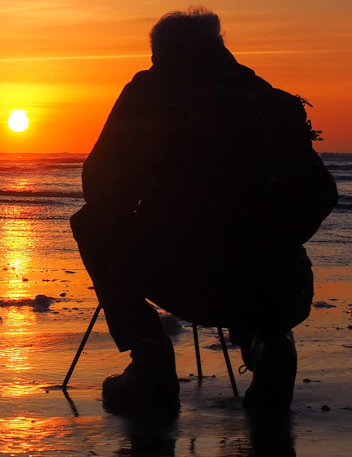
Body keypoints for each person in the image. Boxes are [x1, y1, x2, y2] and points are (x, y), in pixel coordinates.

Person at [71, 8, 337, 411]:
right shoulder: (270, 98)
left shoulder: (150, 92)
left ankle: (151, 365)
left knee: (92, 223)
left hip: (187, 278)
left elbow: (101, 187)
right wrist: (272, 242)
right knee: (256, 272)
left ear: (160, 52)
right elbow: (322, 195)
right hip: (284, 287)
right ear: (219, 45)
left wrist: (152, 208)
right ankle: (269, 344)